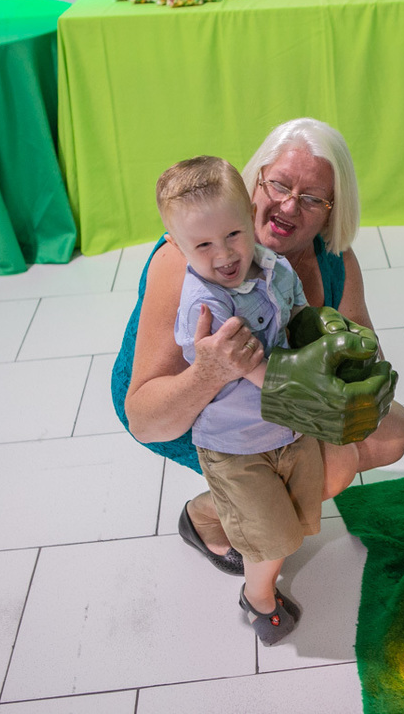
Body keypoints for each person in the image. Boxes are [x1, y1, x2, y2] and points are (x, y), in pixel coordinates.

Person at [112, 118, 404, 578]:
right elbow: (146, 420)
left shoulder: (335, 260)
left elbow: (368, 362)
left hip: (275, 399)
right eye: (279, 184)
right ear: (255, 181)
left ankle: (253, 506)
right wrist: (210, 370)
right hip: (194, 412)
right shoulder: (188, 258)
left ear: (332, 211)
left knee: (392, 432)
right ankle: (209, 515)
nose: (289, 205)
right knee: (333, 465)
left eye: (312, 198)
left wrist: (343, 356)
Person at [156, 155, 319, 644]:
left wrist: (322, 337)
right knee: (270, 537)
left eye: (232, 234)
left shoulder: (274, 266)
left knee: (296, 513)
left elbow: (298, 313)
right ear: (176, 245)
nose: (224, 254)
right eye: (202, 245)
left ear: (251, 216)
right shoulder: (206, 305)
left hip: (288, 428)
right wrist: (298, 387)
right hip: (237, 443)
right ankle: (258, 598)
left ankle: (220, 519)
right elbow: (244, 366)